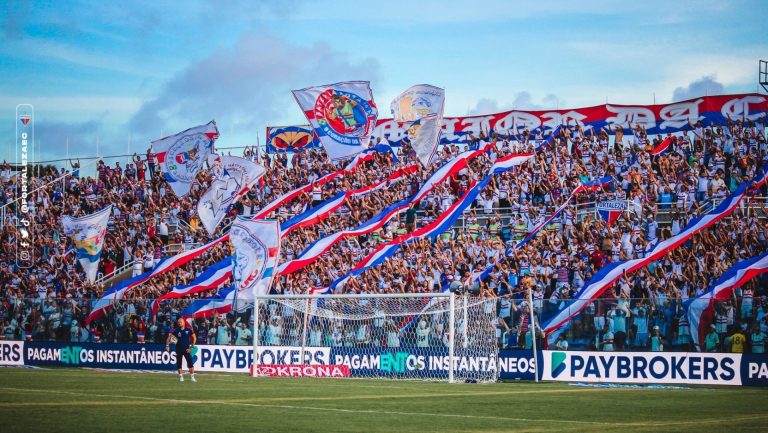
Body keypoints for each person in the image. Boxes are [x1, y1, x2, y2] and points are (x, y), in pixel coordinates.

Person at [166, 318, 197, 382]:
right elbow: (169, 338)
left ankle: (192, 377)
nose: (179, 323)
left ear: (184, 322)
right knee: (179, 364)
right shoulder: (176, 330)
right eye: (178, 322)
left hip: (187, 350)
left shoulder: (189, 330)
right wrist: (167, 346)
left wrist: (192, 347)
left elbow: (194, 337)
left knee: (190, 363)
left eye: (180, 322)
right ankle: (181, 377)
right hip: (178, 349)